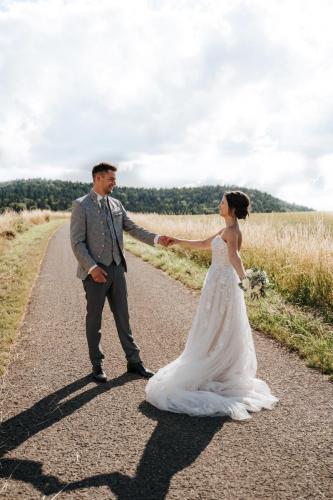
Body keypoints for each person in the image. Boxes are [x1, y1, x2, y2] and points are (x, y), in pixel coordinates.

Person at [145, 191, 278, 420]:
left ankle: (218, 369)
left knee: (221, 324)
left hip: (224, 284)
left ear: (232, 208)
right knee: (213, 325)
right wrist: (176, 241)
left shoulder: (233, 231)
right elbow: (204, 244)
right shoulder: (224, 229)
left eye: (223, 202)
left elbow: (234, 257)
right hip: (216, 282)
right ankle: (214, 364)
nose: (219, 205)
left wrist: (246, 281)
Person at [70, 162, 172, 383]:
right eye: (111, 179)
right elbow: (77, 243)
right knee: (94, 320)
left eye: (115, 180)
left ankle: (134, 361)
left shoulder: (116, 204)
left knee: (123, 318)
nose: (115, 183)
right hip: (94, 273)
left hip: (117, 269)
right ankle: (97, 365)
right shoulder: (81, 206)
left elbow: (132, 228)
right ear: (98, 178)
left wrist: (156, 238)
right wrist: (92, 267)